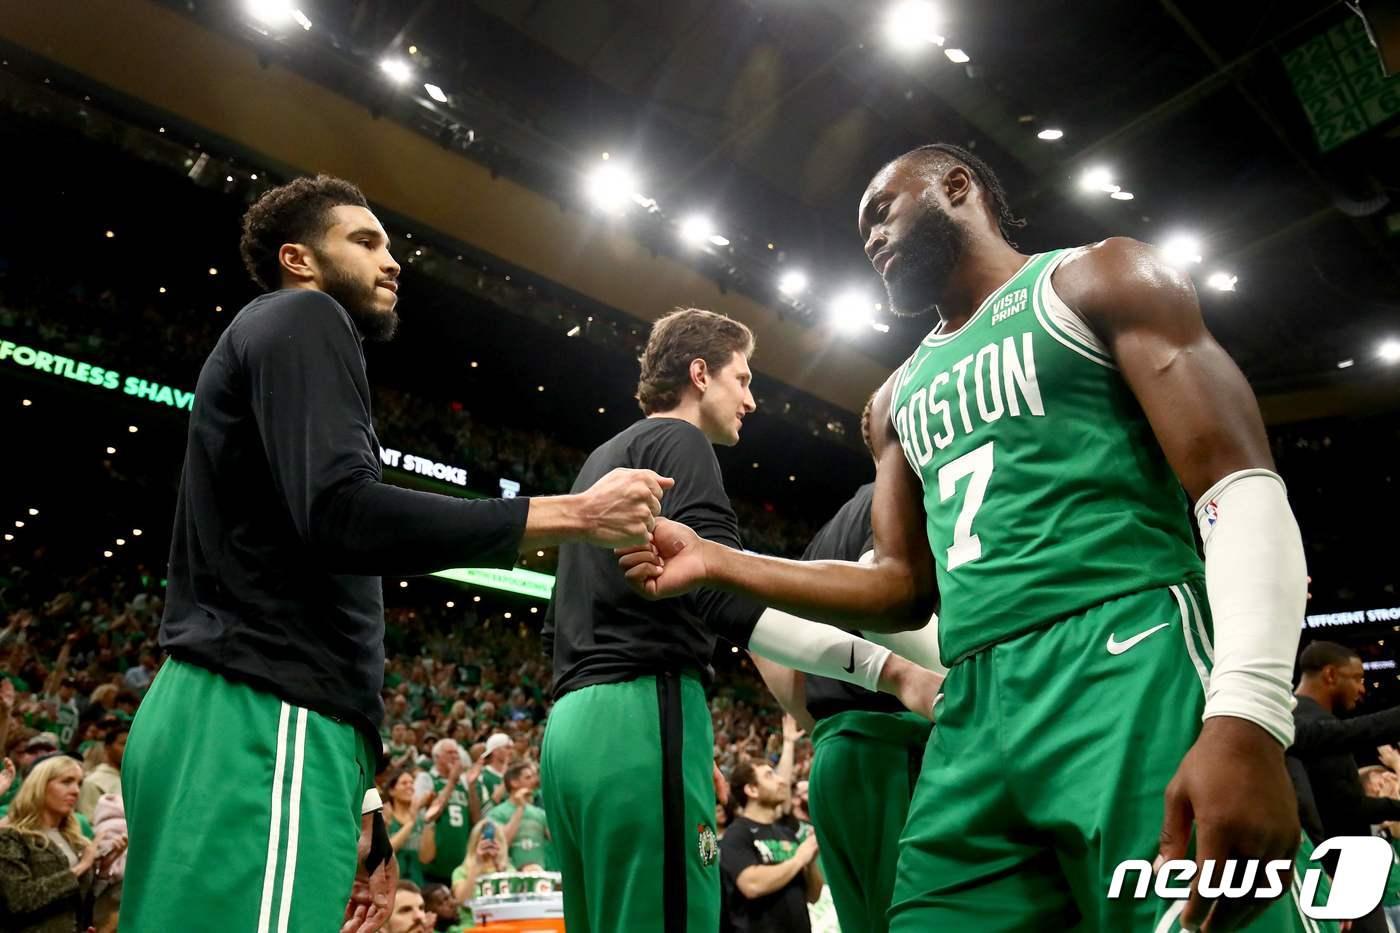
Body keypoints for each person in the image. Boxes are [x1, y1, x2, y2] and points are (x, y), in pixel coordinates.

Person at [622, 144, 1319, 932]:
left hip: (1127, 653)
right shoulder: (893, 400)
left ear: (957, 188)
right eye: (862, 232)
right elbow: (898, 585)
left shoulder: (1099, 278)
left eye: (882, 211)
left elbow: (1239, 488)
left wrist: (1250, 713)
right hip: (973, 700)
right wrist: (720, 559)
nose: (871, 239)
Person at [120, 174, 675, 933]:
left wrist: (368, 802)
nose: (393, 260)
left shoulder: (281, 339)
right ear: (299, 258)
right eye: (366, 240)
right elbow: (342, 515)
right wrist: (574, 512)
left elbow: (317, 564)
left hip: (244, 715)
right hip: (261, 717)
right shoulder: (303, 314)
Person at [545, 307, 940, 933]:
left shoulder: (601, 459)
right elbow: (723, 596)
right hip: (643, 714)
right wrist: (894, 672)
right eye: (744, 379)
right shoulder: (680, 441)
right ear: (701, 374)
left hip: (570, 732)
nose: (751, 400)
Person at [751, 398, 941, 933]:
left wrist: (822, 726)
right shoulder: (911, 495)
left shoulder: (835, 525)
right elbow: (880, 596)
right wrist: (939, 685)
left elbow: (766, 642)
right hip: (894, 747)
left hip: (838, 753)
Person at [0, 755, 126, 933]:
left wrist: (103, 871)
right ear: (40, 785)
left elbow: (78, 900)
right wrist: (80, 868)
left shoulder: (75, 839)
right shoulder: (11, 837)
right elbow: (20, 900)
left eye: (79, 783)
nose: (75, 790)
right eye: (66, 782)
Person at [721, 760, 822, 933]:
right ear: (752, 789)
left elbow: (813, 895)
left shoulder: (787, 834)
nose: (781, 781)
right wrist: (798, 859)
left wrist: (810, 862)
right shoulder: (737, 834)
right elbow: (752, 885)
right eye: (769, 775)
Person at [413, 739, 470, 884]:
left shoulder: (463, 783)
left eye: (456, 752)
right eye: (450, 752)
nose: (455, 756)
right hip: (434, 861)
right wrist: (451, 782)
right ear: (437, 757)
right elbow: (430, 814)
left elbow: (475, 817)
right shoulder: (426, 778)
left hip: (461, 859)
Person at [485, 762, 550, 870]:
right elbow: (502, 843)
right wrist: (520, 809)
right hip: (509, 875)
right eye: (528, 777)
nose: (535, 781)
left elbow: (558, 842)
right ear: (514, 782)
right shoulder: (496, 813)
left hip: (540, 876)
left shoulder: (540, 813)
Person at [384, 767, 440, 886]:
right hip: (390, 886)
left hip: (417, 885)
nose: (410, 786)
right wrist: (410, 823)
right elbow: (386, 851)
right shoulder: (385, 816)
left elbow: (426, 858)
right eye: (404, 783)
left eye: (412, 783)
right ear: (392, 791)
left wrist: (429, 821)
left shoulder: (421, 820)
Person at [449, 819, 512, 905]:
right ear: (475, 843)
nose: (489, 845)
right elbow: (463, 901)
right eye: (484, 841)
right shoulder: (460, 872)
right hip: (474, 917)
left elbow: (512, 900)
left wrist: (499, 868)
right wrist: (478, 863)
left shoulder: (509, 870)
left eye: (493, 842)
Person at [76, 721, 125, 822]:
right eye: (123, 743)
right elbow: (89, 820)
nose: (128, 748)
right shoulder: (93, 782)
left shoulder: (135, 781)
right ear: (107, 748)